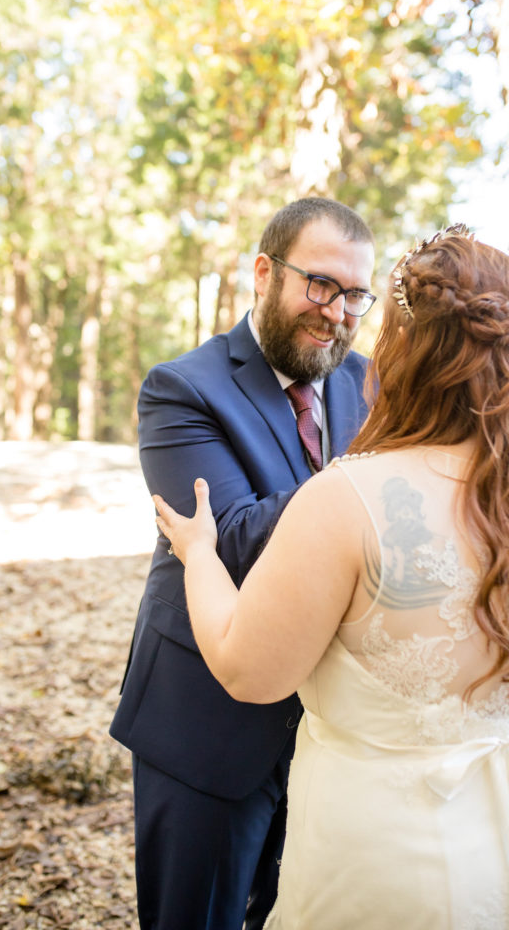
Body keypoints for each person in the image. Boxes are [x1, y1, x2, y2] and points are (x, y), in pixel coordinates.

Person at [154, 225, 509, 930]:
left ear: (398, 348)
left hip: (391, 849)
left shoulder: (344, 497)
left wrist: (200, 554)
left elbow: (249, 674)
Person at [110, 197, 377, 930]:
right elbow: (226, 536)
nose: (338, 313)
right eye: (320, 285)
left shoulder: (372, 384)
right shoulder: (183, 389)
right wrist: (381, 490)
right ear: (265, 272)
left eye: (356, 293)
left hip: (334, 725)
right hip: (207, 720)